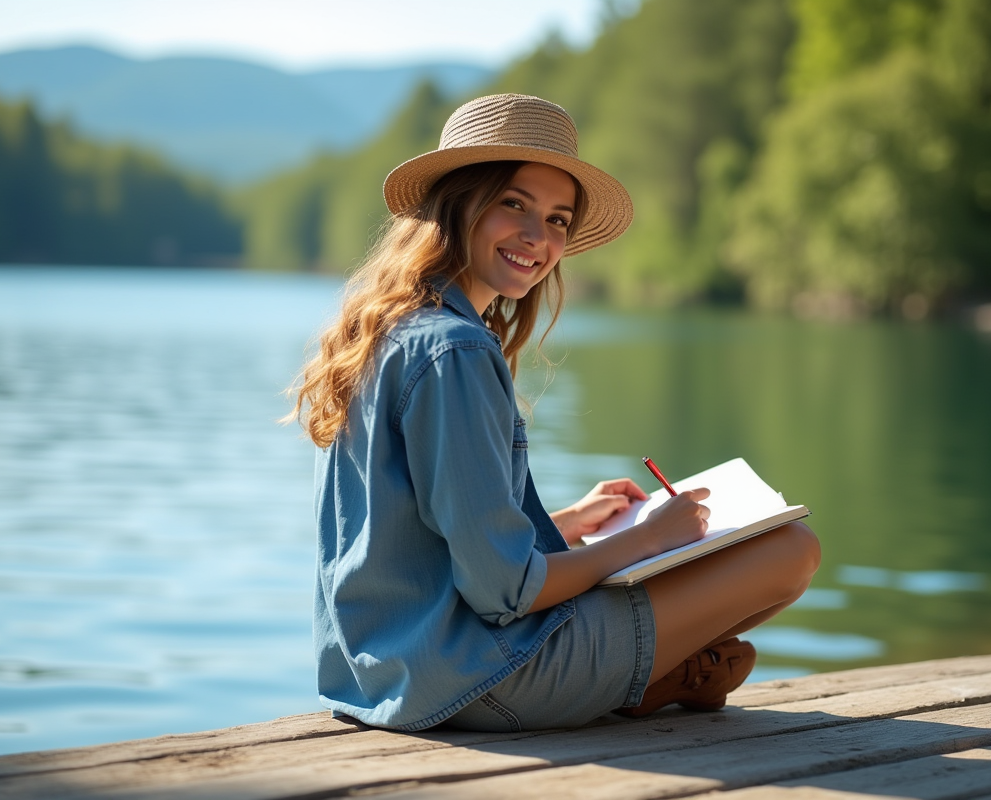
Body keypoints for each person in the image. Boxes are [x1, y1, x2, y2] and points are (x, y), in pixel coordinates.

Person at [288, 94, 820, 732]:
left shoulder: (386, 329)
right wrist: (644, 539)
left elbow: (427, 537)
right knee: (790, 549)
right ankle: (645, 677)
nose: (539, 237)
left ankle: (646, 680)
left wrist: (568, 523)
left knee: (733, 589)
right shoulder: (453, 348)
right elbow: (505, 593)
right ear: (458, 204)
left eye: (559, 219)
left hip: (385, 675)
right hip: (482, 678)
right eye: (514, 204)